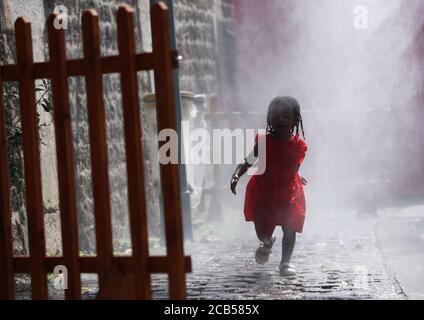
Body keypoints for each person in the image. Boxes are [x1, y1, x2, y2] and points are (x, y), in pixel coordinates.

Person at [230, 96, 308, 276]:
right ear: (269, 119)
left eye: (285, 116)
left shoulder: (299, 146)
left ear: (295, 120)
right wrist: (236, 174)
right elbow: (247, 162)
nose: (280, 119)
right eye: (276, 115)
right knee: (262, 227)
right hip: (263, 191)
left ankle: (285, 263)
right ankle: (266, 242)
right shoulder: (264, 142)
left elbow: (293, 167)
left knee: (290, 227)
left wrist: (297, 176)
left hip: (288, 192)